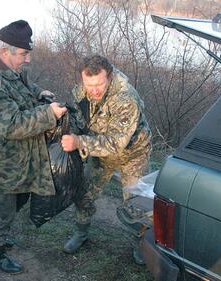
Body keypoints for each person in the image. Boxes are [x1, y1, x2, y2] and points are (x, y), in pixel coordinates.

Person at [0, 20, 67, 274]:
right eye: (23, 54)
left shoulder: (7, 68)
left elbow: (22, 86)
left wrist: (38, 92)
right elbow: (11, 125)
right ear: (5, 51)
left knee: (18, 198)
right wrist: (48, 115)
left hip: (15, 160)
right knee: (4, 210)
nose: (28, 60)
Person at [60, 55, 152, 264]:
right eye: (89, 84)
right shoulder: (80, 92)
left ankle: (141, 246)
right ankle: (81, 233)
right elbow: (78, 123)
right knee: (84, 194)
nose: (94, 90)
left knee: (136, 204)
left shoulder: (126, 97)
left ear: (109, 78)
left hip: (132, 154)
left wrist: (79, 142)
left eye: (99, 84)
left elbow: (115, 143)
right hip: (100, 154)